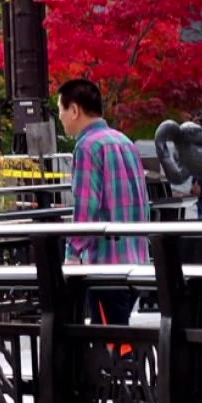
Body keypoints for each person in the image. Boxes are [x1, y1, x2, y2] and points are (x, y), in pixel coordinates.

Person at [57, 78, 150, 329]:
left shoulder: (87, 147)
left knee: (110, 340)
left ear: (74, 110)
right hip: (136, 259)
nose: (60, 117)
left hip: (106, 264)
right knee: (118, 335)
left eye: (61, 109)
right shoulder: (125, 142)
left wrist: (72, 254)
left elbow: (86, 208)